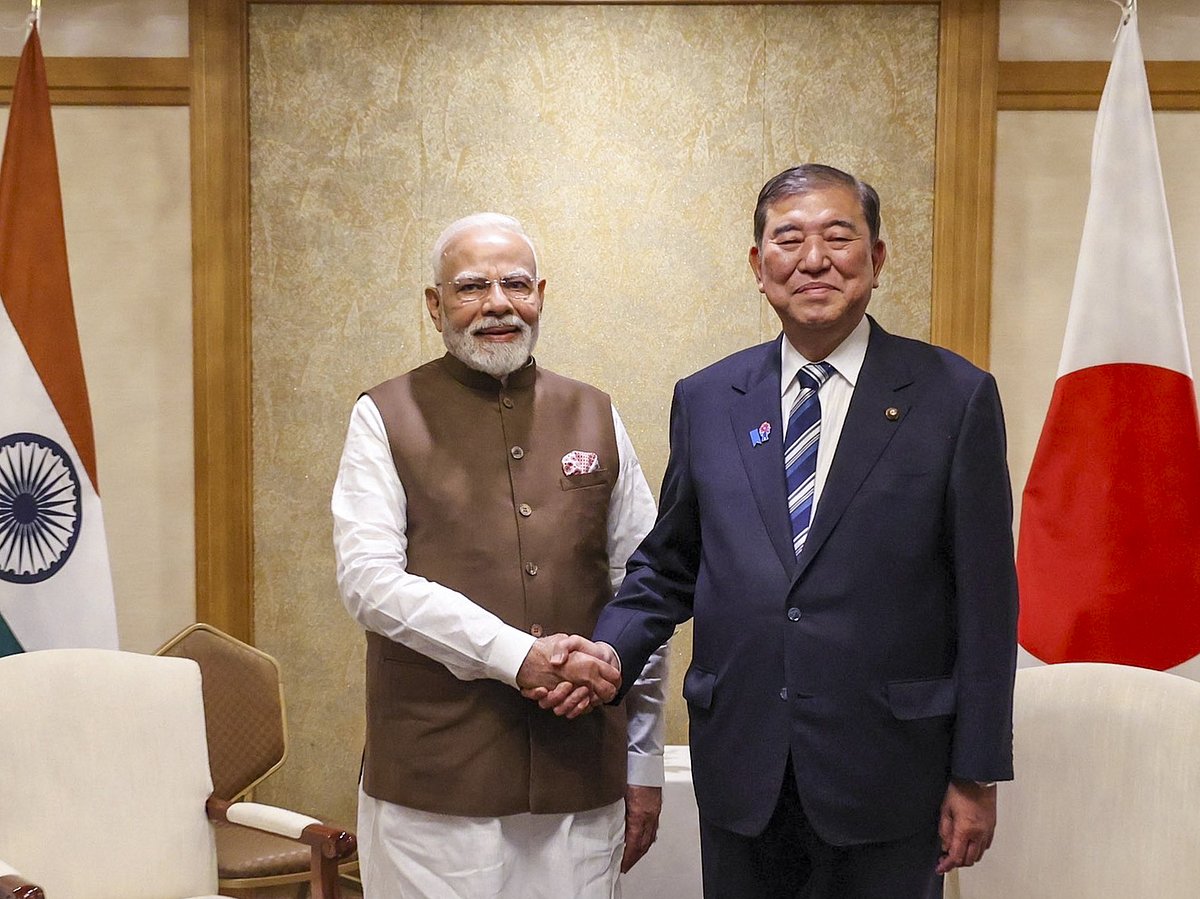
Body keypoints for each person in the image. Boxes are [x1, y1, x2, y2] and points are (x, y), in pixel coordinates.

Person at [537, 164, 1019, 897]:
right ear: (760, 269)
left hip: (890, 773)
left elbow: (987, 601)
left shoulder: (954, 398)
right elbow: (669, 566)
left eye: (838, 236)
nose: (814, 259)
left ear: (878, 258)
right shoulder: (707, 399)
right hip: (744, 766)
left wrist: (976, 770)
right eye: (788, 240)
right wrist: (610, 649)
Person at [332, 212, 667, 898]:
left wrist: (643, 763)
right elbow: (368, 582)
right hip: (435, 789)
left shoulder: (595, 412)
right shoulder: (384, 414)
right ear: (435, 306)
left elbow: (649, 580)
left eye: (515, 283)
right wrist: (517, 656)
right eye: (470, 287)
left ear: (541, 293)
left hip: (582, 780)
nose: (497, 304)